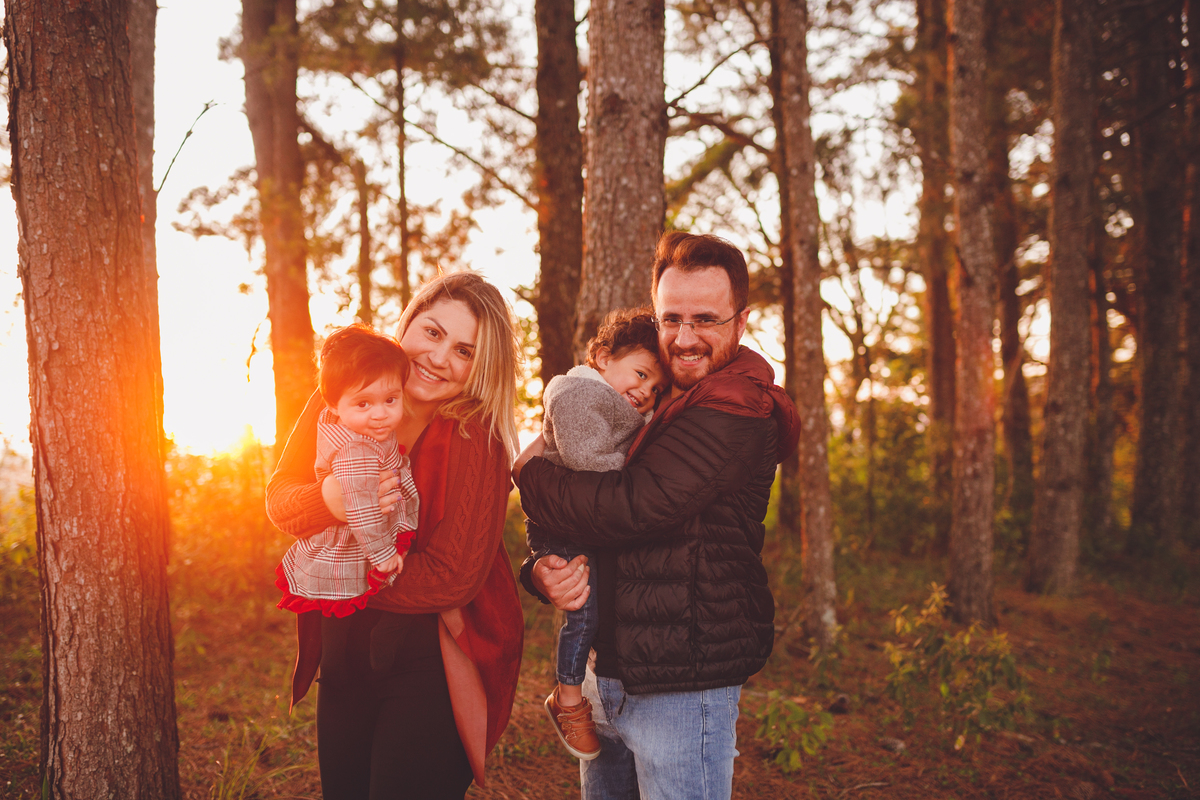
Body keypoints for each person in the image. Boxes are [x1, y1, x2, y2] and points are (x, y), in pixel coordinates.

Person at [513, 232, 801, 800]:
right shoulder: (661, 396)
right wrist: (541, 570)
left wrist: (530, 473)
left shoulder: (735, 407)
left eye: (706, 320)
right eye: (671, 319)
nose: (685, 338)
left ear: (740, 323)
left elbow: (629, 506)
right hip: (607, 674)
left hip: (681, 686)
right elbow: (597, 527)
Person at [267, 272, 525, 800]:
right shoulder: (343, 396)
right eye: (431, 333)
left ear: (482, 367)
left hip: (431, 658)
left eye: (464, 351)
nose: (438, 358)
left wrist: (332, 578)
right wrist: (327, 502)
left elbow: (451, 577)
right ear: (407, 324)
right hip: (345, 654)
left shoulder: (476, 437)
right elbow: (281, 500)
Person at [532, 307, 669, 761]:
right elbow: (587, 459)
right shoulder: (576, 393)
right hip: (559, 524)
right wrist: (643, 469)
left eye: (655, 390)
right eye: (641, 373)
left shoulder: (612, 402)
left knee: (595, 606)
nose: (644, 392)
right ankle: (568, 698)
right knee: (584, 612)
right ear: (602, 356)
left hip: (578, 517)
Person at [275, 324, 420, 617]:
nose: (380, 414)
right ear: (334, 405)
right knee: (344, 637)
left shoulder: (367, 430)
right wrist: (383, 556)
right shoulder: (356, 451)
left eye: (390, 400)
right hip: (351, 557)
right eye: (363, 403)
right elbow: (362, 510)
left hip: (361, 549)